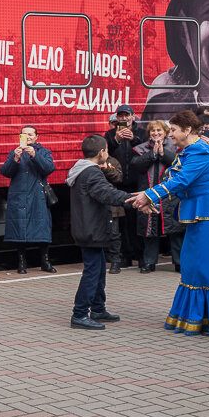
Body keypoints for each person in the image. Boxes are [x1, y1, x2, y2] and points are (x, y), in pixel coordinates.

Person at [127, 111, 209, 338]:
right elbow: (172, 179)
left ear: (187, 130)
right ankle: (205, 317)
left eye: (173, 130)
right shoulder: (190, 151)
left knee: (207, 265)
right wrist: (148, 194)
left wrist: (150, 196)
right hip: (205, 212)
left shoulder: (199, 151)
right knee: (196, 264)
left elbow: (183, 180)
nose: (170, 134)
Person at [66, 135, 130, 330]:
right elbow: (107, 193)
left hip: (90, 228)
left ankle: (98, 308)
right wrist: (133, 199)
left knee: (99, 269)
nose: (107, 154)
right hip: (91, 230)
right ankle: (79, 314)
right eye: (107, 151)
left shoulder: (82, 170)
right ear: (102, 152)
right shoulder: (91, 173)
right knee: (92, 272)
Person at [0, 125, 57, 274]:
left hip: (38, 196)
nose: (28, 137)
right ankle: (22, 263)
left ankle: (45, 261)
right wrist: (15, 159)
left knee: (42, 228)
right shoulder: (14, 152)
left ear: (37, 137)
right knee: (20, 230)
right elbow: (5, 172)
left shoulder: (44, 152)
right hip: (19, 196)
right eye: (24, 134)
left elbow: (49, 168)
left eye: (31, 134)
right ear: (20, 137)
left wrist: (35, 156)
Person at [129, 121, 183, 273]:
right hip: (149, 195)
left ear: (166, 132)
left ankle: (179, 262)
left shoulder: (175, 146)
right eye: (152, 131)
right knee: (150, 232)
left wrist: (162, 153)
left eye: (159, 130)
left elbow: (178, 163)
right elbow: (136, 165)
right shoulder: (141, 149)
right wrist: (152, 154)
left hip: (171, 196)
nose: (156, 133)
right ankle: (149, 262)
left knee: (175, 231)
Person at [103, 105, 147, 271]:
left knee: (139, 221)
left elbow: (147, 152)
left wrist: (134, 139)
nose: (123, 119)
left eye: (126, 115)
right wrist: (117, 140)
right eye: (120, 116)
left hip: (138, 183)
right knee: (122, 224)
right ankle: (126, 256)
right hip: (118, 184)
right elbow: (105, 154)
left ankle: (142, 257)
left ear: (133, 117)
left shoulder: (142, 133)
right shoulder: (109, 134)